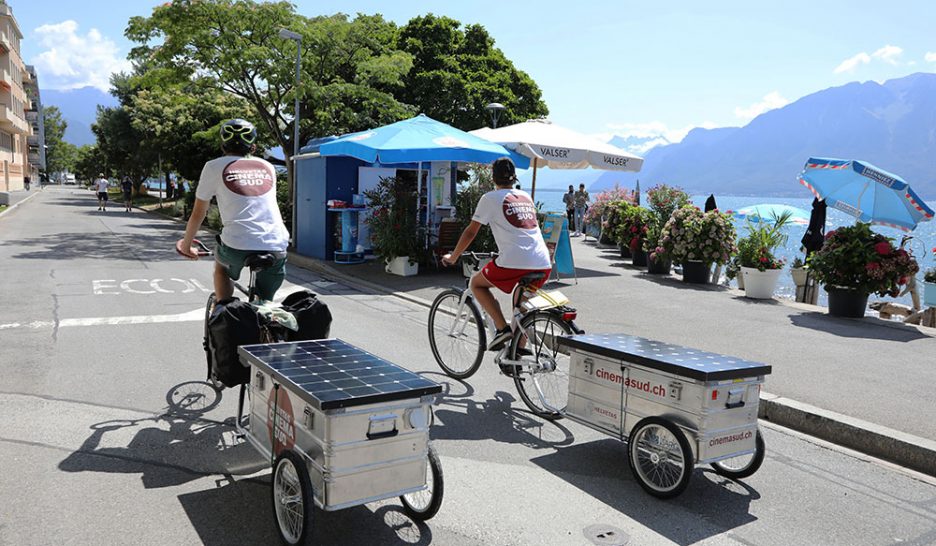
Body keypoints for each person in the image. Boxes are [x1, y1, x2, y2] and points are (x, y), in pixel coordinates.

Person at [442, 157, 552, 356]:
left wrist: (454, 256)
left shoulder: (490, 198)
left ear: (493, 177)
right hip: (543, 262)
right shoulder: (525, 197)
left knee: (476, 284)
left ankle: (502, 330)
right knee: (521, 307)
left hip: (515, 261)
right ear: (514, 177)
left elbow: (470, 232)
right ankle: (516, 356)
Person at [176, 119, 289, 302]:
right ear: (253, 146)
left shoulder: (213, 166)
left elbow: (198, 213)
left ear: (222, 144)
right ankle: (265, 321)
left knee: (222, 269)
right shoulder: (267, 167)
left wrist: (187, 246)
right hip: (276, 244)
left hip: (237, 244)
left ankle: (224, 309)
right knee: (264, 304)